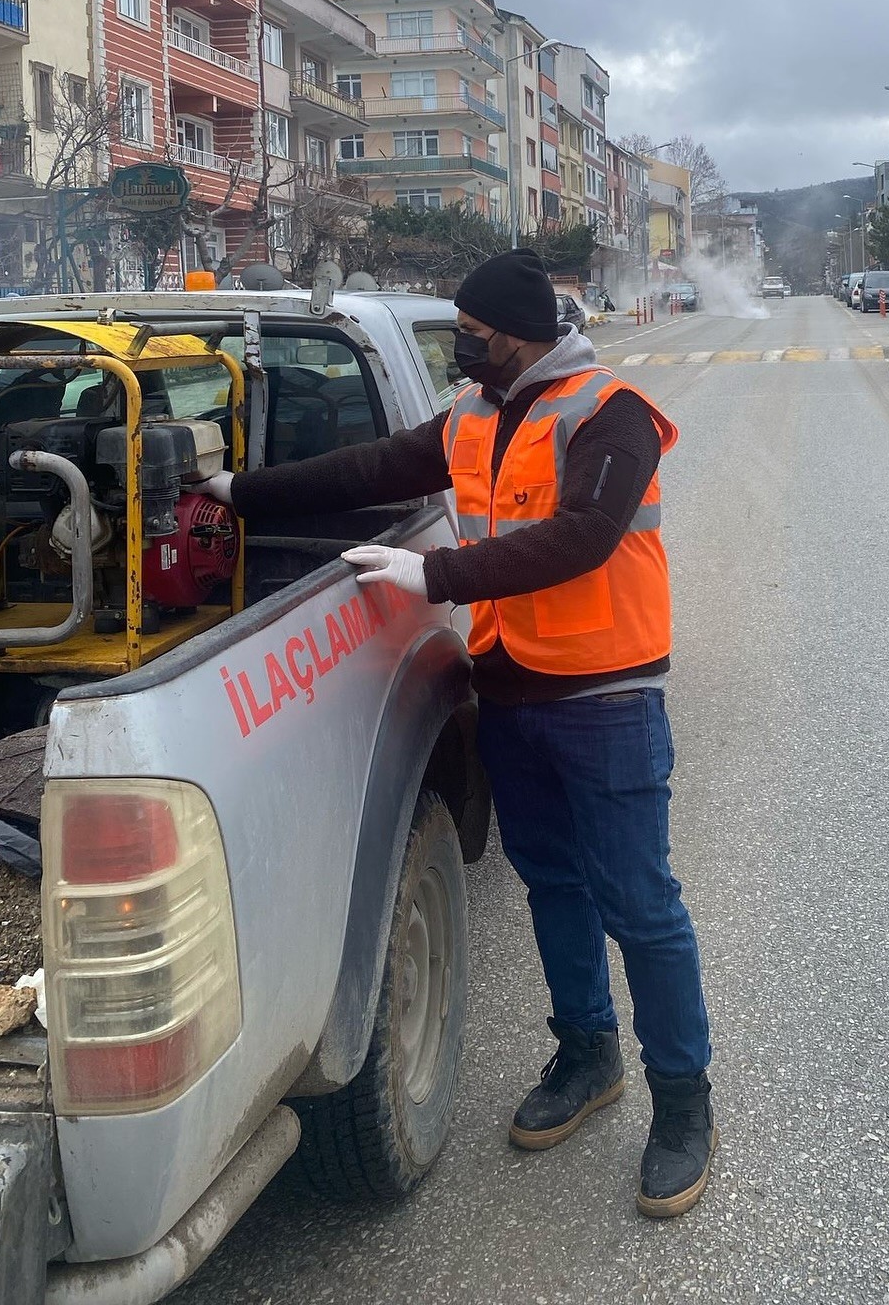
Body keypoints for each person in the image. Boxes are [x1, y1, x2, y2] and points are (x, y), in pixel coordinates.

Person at [199, 249, 716, 1219]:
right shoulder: (474, 418)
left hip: (606, 700)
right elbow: (369, 468)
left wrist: (429, 581)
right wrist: (239, 494)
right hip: (511, 693)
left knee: (641, 905)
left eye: (471, 337)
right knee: (552, 884)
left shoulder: (611, 416)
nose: (462, 350)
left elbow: (581, 539)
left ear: (513, 336)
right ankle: (587, 1053)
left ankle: (683, 1104)